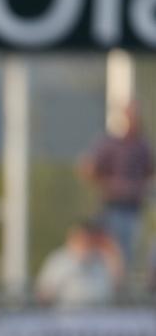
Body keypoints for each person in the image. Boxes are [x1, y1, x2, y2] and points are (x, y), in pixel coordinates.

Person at [79, 102, 153, 269]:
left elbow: (149, 170)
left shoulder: (141, 146)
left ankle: (122, 283)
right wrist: (107, 184)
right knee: (112, 248)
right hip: (112, 205)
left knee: (128, 249)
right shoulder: (109, 144)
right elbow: (89, 168)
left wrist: (138, 186)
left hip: (133, 207)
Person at [35, 220, 124, 308]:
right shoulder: (59, 261)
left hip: (98, 317)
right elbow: (44, 294)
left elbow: (117, 287)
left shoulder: (100, 260)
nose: (85, 242)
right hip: (66, 317)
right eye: (82, 239)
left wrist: (111, 250)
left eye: (88, 239)